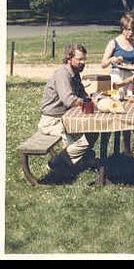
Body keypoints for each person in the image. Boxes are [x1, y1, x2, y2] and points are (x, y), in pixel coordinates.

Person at [39, 44, 98, 174]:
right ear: (69, 58)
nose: (83, 63)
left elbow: (82, 95)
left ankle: (81, 158)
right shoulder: (62, 73)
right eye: (79, 59)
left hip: (66, 117)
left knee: (94, 130)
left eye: (84, 59)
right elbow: (69, 100)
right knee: (85, 139)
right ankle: (56, 163)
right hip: (52, 121)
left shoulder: (75, 73)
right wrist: (90, 103)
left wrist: (96, 98)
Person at [101, 14, 134, 93]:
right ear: (123, 28)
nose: (131, 32)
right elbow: (103, 64)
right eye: (128, 29)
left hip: (131, 77)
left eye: (133, 30)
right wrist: (112, 59)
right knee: (117, 97)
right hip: (117, 75)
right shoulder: (114, 43)